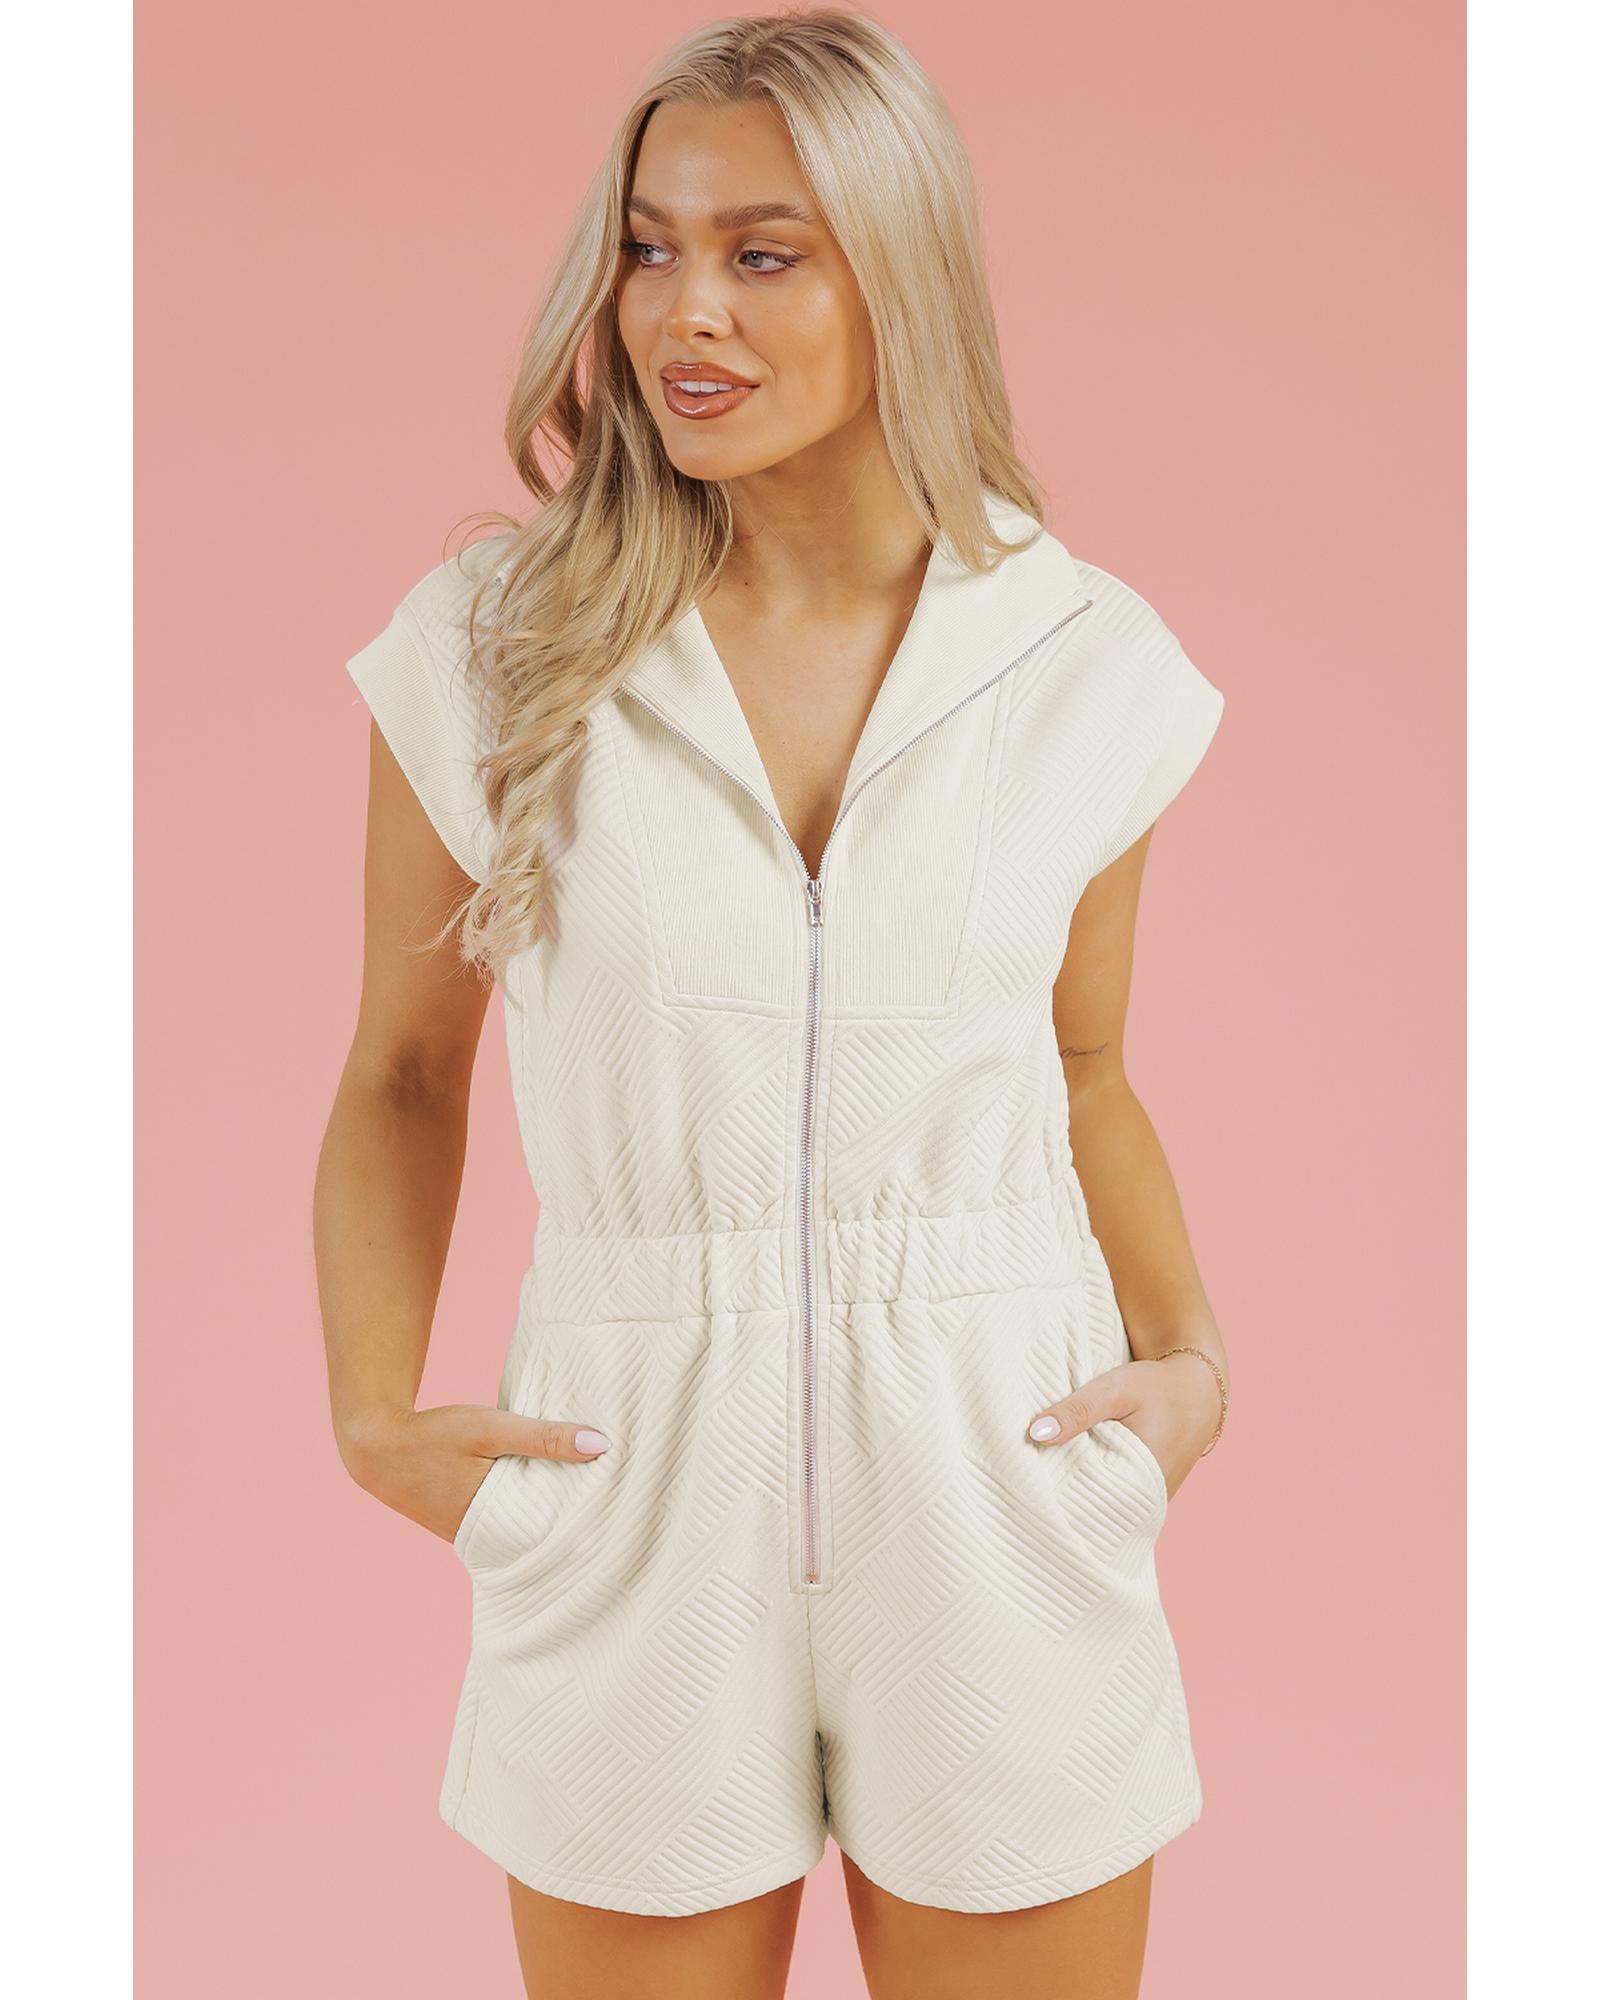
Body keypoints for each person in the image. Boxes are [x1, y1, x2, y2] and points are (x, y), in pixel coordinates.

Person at [314, 11, 1232, 1997]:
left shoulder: (1082, 660)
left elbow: (1084, 1065)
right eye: (648, 248)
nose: (683, 313)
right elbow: (398, 1071)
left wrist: (1189, 1366)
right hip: (632, 1467)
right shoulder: (490, 648)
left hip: (992, 1458)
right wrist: (375, 1419)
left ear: (899, 273)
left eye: (763, 252)